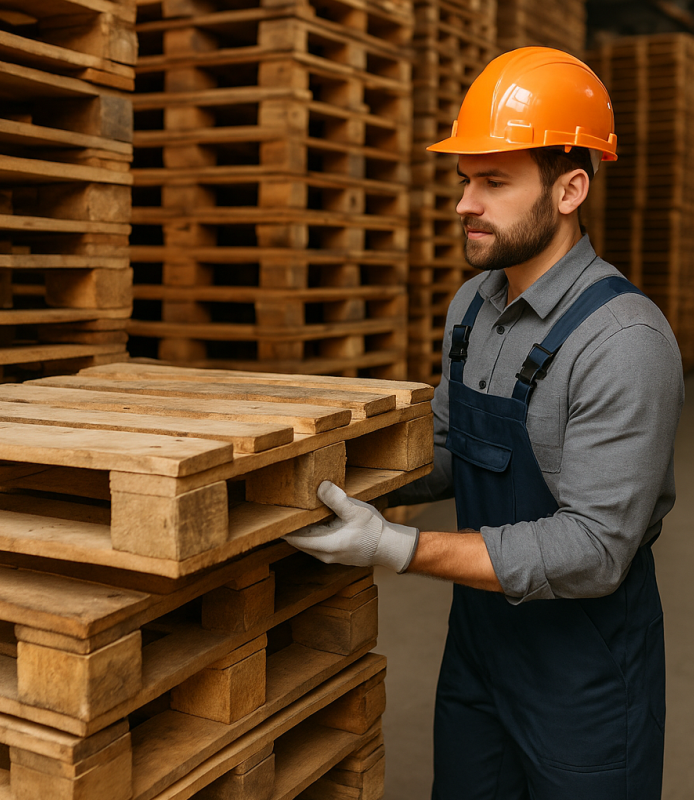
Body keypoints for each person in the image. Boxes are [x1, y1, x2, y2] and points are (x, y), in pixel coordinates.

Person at [284, 47, 684, 799]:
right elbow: (449, 451)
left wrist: (395, 546)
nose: (466, 202)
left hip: (586, 678)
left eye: (494, 182)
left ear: (570, 189)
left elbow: (596, 549)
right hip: (479, 651)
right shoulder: (472, 307)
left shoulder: (624, 341)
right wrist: (321, 478)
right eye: (466, 179)